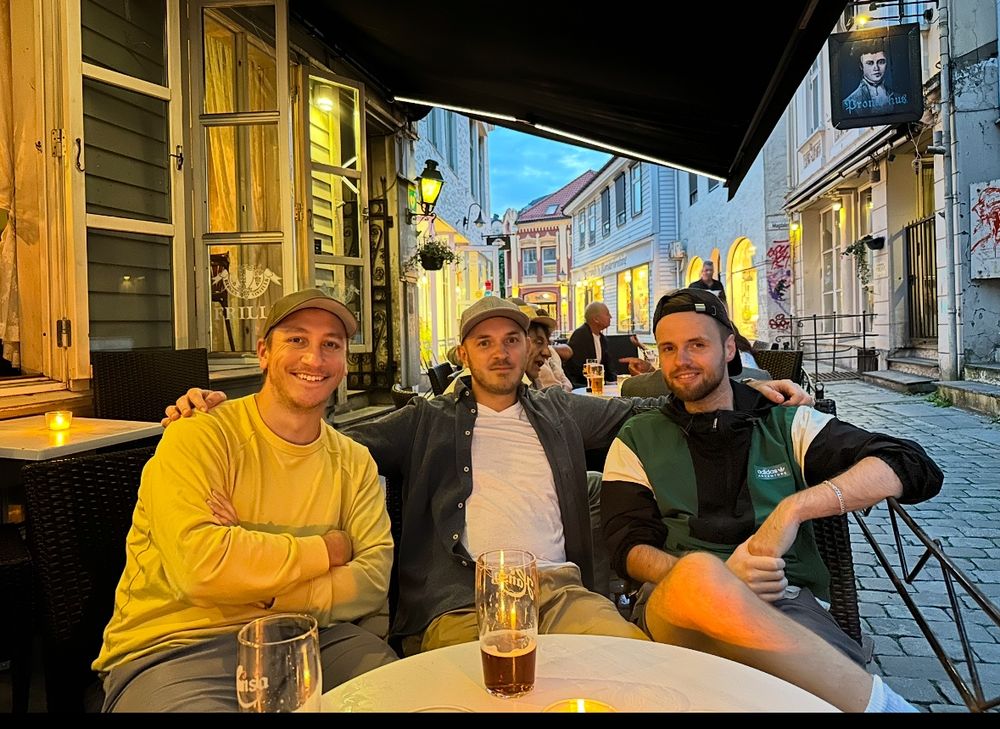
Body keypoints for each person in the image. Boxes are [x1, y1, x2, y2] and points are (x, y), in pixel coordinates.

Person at [165, 297, 813, 658]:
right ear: (463, 354)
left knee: (633, 668)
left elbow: (659, 410)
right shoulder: (424, 420)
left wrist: (748, 385)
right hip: (459, 603)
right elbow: (323, 439)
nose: (500, 352)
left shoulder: (561, 409)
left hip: (563, 590)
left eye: (512, 340)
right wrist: (222, 412)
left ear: (529, 350)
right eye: (485, 342)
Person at [601, 287, 944, 711]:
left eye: (697, 344)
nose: (681, 359)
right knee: (699, 576)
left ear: (729, 348)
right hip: (676, 606)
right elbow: (626, 545)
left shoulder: (784, 422)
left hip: (782, 600)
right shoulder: (638, 437)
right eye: (668, 348)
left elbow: (910, 464)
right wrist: (718, 580)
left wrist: (793, 509)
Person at [93, 289, 398, 712]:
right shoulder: (200, 434)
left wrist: (265, 591)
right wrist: (327, 550)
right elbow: (200, 569)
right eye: (297, 340)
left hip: (315, 636)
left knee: (401, 697)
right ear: (263, 353)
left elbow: (372, 580)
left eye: (331, 344)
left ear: (344, 363)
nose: (314, 359)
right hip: (180, 646)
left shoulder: (354, 460)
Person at [564, 301, 615, 387]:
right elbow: (576, 368)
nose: (610, 317)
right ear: (596, 319)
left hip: (598, 385)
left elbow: (608, 368)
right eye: (607, 314)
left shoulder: (603, 339)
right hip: (580, 386)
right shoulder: (580, 336)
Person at [843, 39, 898, 116]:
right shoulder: (849, 103)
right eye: (870, 63)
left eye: (881, 62)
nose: (876, 68)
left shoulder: (898, 97)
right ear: (861, 66)